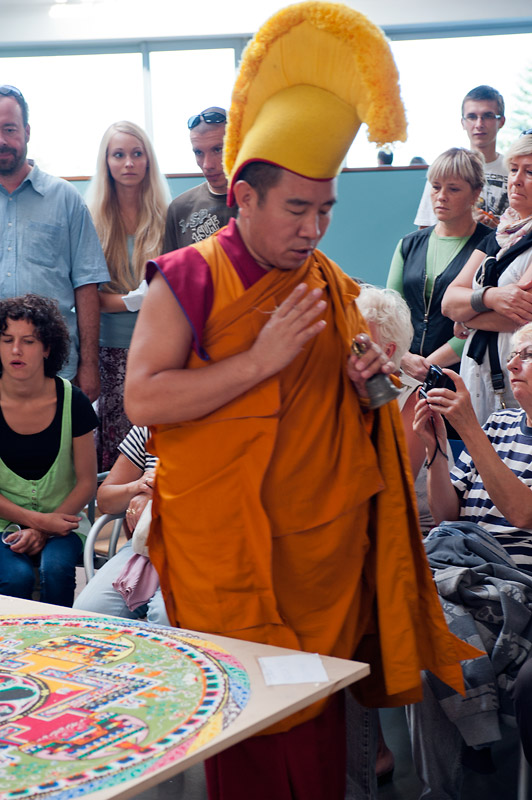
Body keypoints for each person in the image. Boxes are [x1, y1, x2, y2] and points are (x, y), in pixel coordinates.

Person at [125, 5, 479, 800]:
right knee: (245, 736)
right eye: (297, 209)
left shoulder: (326, 282)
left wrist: (371, 383)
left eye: (326, 211)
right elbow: (144, 396)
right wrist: (259, 361)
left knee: (318, 742)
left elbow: (374, 399)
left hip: (321, 552)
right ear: (244, 197)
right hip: (226, 551)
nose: (314, 229)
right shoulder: (187, 277)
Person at [406, 321, 532, 799]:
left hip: (513, 586)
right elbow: (446, 515)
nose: (513, 363)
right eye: (513, 353)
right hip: (460, 571)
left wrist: (469, 431)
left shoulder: (483, 429)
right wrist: (437, 447)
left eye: (528, 354)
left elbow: (522, 513)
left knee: (429, 657)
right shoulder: (498, 423)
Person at [0, 85, 110, 402]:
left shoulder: (65, 198)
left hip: (55, 367)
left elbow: (87, 285)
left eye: (10, 129)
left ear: (27, 131)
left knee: (60, 437)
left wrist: (89, 365)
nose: (2, 140)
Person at [0, 294, 98, 607]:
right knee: (16, 577)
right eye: (7, 340)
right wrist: (39, 522)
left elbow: (87, 482)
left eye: (28, 341)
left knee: (56, 569)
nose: (16, 350)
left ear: (47, 348)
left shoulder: (74, 400)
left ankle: (61, 635)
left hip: (65, 520)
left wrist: (44, 530)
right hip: (3, 521)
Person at [86, 121, 169, 471]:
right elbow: (87, 296)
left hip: (158, 348)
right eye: (118, 155)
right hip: (109, 351)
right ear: (106, 162)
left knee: (153, 438)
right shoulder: (92, 219)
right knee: (115, 448)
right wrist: (131, 301)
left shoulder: (167, 216)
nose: (129, 163)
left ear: (148, 160)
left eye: (137, 154)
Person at [442, 134, 532, 426]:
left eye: (529, 172)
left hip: (517, 377)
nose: (516, 180)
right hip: (477, 374)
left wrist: (467, 318)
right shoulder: (499, 235)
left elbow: (519, 315)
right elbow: (448, 302)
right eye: (513, 169)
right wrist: (489, 298)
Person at [387, 147, 491, 384]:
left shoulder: (491, 245)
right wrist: (405, 358)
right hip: (405, 371)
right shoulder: (408, 244)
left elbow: (485, 318)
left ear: (476, 193)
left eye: (453, 189)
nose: (441, 196)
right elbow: (390, 312)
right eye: (435, 187)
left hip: (463, 372)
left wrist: (429, 365)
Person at [74, 425, 169, 625]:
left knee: (164, 617)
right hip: (145, 546)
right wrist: (138, 487)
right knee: (88, 613)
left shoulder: (226, 429)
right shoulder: (149, 427)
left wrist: (156, 498)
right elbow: (106, 501)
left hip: (203, 549)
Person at [415, 85, 508, 230]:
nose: (479, 124)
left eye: (488, 116)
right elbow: (425, 230)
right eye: (472, 117)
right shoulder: (445, 169)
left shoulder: (515, 171)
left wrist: (498, 229)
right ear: (463, 122)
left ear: (501, 121)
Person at [163, 107, 238, 252]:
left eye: (218, 150)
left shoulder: (260, 201)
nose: (207, 165)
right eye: (198, 152)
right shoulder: (179, 209)